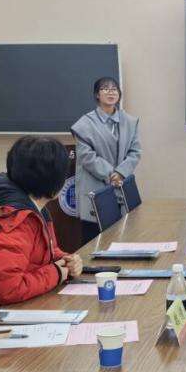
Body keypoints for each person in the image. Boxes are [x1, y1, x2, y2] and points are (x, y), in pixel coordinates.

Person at [0, 136, 83, 305]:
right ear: (56, 182)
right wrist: (56, 272)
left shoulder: (34, 209)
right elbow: (5, 290)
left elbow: (41, 253)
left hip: (22, 304)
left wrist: (66, 261)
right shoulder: (15, 220)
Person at [71, 76, 142, 245]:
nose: (111, 92)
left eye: (114, 89)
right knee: (94, 243)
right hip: (96, 187)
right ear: (97, 94)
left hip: (122, 187)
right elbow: (86, 156)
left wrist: (121, 172)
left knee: (123, 239)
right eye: (105, 89)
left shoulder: (130, 121)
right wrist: (111, 174)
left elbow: (135, 151)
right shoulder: (85, 124)